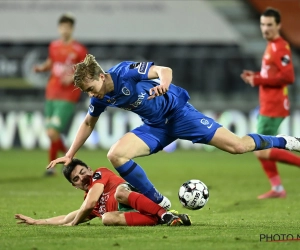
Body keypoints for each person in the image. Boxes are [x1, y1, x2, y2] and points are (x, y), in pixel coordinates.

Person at [46, 54, 300, 210]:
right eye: (88, 92)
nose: (92, 95)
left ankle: (285, 141)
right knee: (116, 154)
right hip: (156, 127)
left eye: (92, 88)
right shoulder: (100, 97)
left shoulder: (125, 71)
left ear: (101, 76)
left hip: (180, 114)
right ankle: (158, 201)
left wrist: (164, 85)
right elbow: (88, 123)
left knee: (238, 147)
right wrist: (70, 154)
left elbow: (162, 70)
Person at [15, 159, 191, 227]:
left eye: (83, 172)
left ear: (89, 169)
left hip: (137, 198)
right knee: (106, 218)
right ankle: (166, 219)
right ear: (74, 186)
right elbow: (68, 217)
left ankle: (164, 214)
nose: (82, 178)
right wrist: (38, 221)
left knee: (119, 193)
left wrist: (73, 225)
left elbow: (89, 205)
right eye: (76, 179)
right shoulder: (88, 203)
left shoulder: (100, 174)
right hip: (140, 215)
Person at [240, 8, 300, 199]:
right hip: (268, 105)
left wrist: (259, 81)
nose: (265, 28)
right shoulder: (271, 45)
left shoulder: (280, 46)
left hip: (274, 106)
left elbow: (288, 76)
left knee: (261, 151)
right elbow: (271, 75)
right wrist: (257, 76)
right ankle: (277, 189)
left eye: (269, 25)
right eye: (263, 24)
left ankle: (278, 188)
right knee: (261, 150)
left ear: (278, 26)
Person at [33, 14, 87, 175]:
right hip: (51, 93)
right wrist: (42, 68)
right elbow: (52, 62)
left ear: (72, 29)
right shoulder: (54, 46)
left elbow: (86, 70)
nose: (64, 30)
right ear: (59, 28)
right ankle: (69, 159)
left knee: (52, 132)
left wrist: (72, 77)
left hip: (68, 96)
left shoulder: (79, 49)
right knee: (52, 133)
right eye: (62, 27)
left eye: (67, 27)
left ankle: (54, 167)